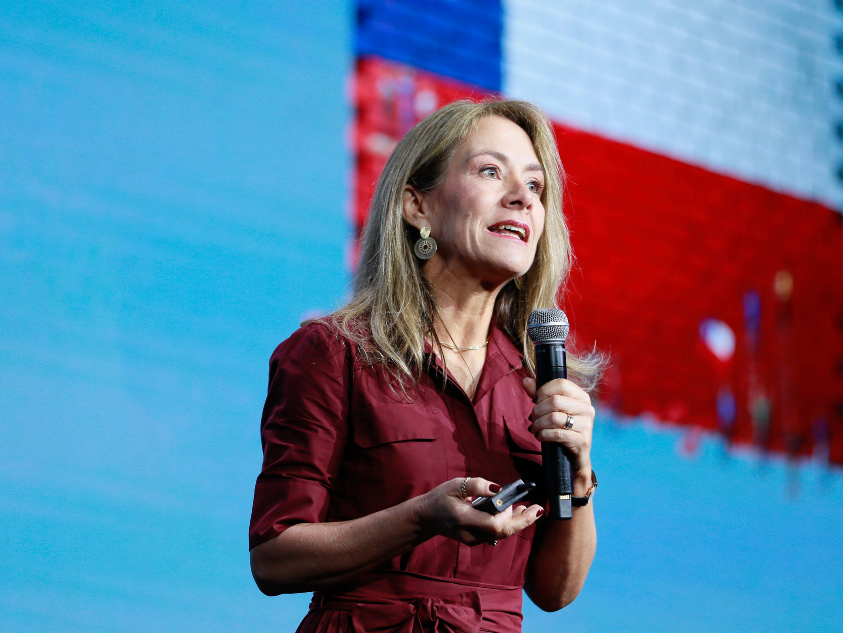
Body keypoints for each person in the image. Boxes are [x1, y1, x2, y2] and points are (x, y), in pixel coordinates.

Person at [248, 99, 602, 633]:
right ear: (417, 205)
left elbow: (554, 591)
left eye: (535, 187)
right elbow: (274, 557)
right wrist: (420, 517)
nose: (521, 199)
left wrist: (577, 474)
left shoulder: (542, 381)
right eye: (490, 171)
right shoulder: (334, 352)